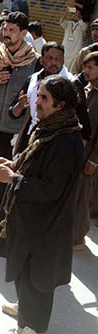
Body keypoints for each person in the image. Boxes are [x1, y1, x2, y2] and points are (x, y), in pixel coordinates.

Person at [0, 75, 83, 334]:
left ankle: (29, 332)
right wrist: (14, 164)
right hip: (32, 217)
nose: (37, 102)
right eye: (38, 95)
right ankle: (27, 310)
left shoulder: (66, 141)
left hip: (46, 223)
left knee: (37, 275)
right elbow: (35, 164)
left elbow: (51, 189)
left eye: (43, 98)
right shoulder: (50, 128)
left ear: (60, 104)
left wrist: (13, 179)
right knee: (25, 268)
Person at [0, 11, 37, 248]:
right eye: (4, 29)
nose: (6, 34)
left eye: (12, 30)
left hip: (14, 129)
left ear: (23, 33)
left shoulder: (34, 62)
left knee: (6, 177)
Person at [73, 52, 98, 251]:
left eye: (91, 68)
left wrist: (94, 160)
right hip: (78, 152)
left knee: (82, 197)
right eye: (85, 67)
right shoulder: (86, 89)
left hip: (90, 157)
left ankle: (77, 239)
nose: (86, 71)